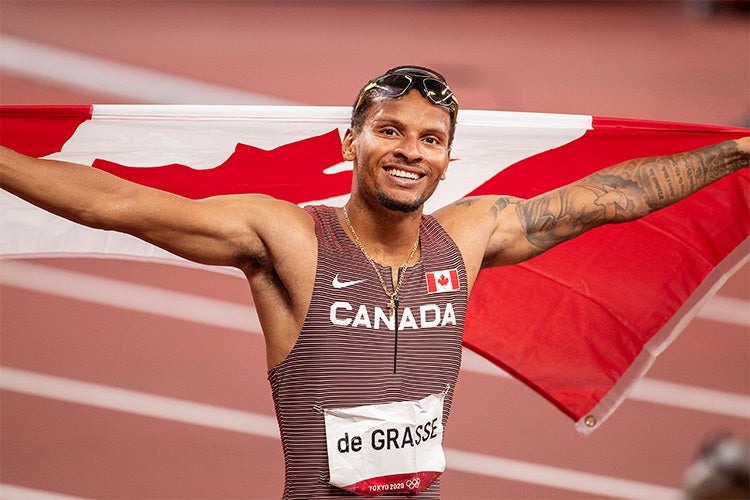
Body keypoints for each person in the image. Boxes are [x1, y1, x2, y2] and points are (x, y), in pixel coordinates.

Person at [0, 66, 748, 499]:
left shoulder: (468, 235)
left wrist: (740, 150)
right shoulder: (290, 238)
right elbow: (120, 202)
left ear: (449, 158)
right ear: (348, 140)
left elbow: (616, 196)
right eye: (389, 130)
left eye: (430, 139)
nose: (409, 152)